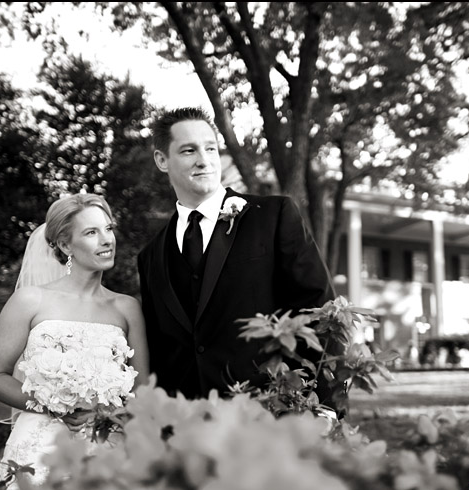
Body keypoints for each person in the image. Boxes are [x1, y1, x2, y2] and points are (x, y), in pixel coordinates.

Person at [137, 107, 335, 403]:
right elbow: (160, 348)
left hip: (268, 415)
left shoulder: (273, 216)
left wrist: (324, 404)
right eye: (188, 151)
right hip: (184, 428)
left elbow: (317, 310)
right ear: (162, 160)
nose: (203, 160)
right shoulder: (150, 256)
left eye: (210, 148)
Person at [0, 193, 149, 490]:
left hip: (106, 443)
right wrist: (57, 404)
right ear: (64, 244)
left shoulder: (127, 308)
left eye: (108, 229)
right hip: (39, 445)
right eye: (91, 232)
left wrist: (104, 414)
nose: (106, 240)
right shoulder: (30, 301)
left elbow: (142, 389)